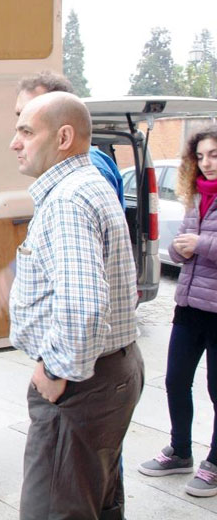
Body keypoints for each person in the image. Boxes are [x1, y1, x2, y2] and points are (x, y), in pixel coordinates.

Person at [8, 92, 144, 520]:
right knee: (97, 503)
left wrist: (54, 371)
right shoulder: (87, 186)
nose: (15, 142)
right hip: (111, 371)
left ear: (64, 137)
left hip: (82, 385)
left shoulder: (68, 199)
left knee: (55, 510)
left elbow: (83, 306)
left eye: (26, 131)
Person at [0, 71, 125, 317]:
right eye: (19, 114)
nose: (17, 131)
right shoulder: (62, 179)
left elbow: (84, 301)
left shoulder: (77, 187)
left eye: (30, 115)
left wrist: (52, 356)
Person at [138, 129, 217, 497]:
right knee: (174, 380)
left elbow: (202, 243)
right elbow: (181, 245)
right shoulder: (195, 197)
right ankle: (180, 451)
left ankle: (214, 463)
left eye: (214, 155)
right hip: (188, 306)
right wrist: (181, 249)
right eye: (200, 157)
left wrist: (200, 244)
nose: (206, 163)